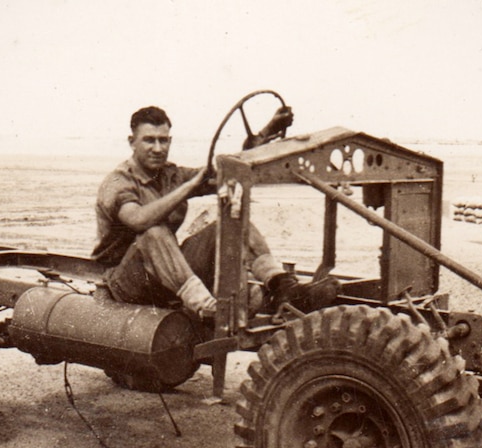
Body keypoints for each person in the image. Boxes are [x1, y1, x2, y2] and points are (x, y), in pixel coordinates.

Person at [91, 105, 339, 319]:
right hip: (125, 281)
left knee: (230, 224)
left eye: (163, 140)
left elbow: (226, 173)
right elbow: (137, 220)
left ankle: (284, 287)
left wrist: (262, 137)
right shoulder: (119, 182)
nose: (157, 148)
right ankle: (208, 309)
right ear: (132, 142)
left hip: (164, 274)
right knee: (153, 232)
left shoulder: (171, 175)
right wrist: (190, 187)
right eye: (149, 140)